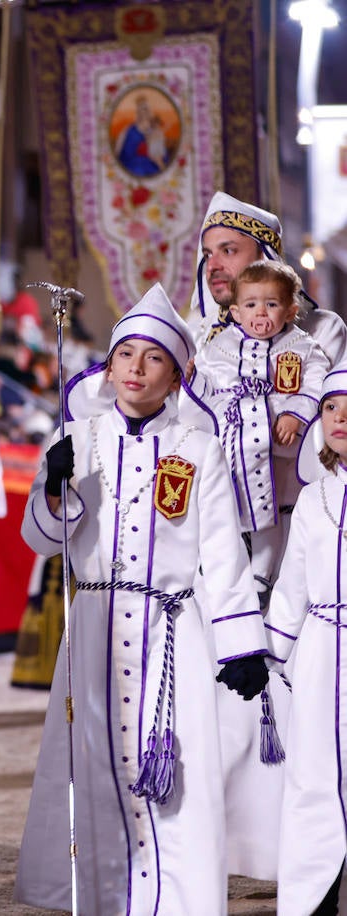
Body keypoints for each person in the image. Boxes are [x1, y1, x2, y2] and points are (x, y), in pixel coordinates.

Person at [14, 284, 271, 912]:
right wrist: (54, 488)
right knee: (91, 764)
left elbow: (222, 554)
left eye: (152, 358)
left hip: (170, 631)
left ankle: (172, 897)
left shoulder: (198, 450)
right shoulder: (82, 437)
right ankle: (99, 894)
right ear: (108, 364)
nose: (135, 367)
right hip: (95, 627)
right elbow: (45, 540)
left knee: (173, 775)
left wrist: (240, 643)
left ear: (176, 375)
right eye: (124, 354)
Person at [264, 365, 347, 915]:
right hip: (319, 652)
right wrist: (273, 656)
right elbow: (292, 583)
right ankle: (310, 899)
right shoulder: (314, 500)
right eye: (332, 409)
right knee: (314, 776)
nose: (341, 419)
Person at [193, 259, 328, 598]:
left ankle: (263, 573)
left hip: (279, 448)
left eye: (271, 304)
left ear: (290, 310)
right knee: (227, 503)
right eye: (252, 305)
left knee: (271, 509)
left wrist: (295, 413)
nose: (261, 313)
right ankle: (225, 564)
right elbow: (205, 387)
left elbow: (314, 384)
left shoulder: (301, 346)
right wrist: (193, 376)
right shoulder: (220, 345)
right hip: (232, 444)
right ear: (237, 312)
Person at [191, 192, 347, 363]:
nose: (212, 266)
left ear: (264, 258)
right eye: (207, 255)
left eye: (228, 251)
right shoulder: (196, 340)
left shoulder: (323, 330)